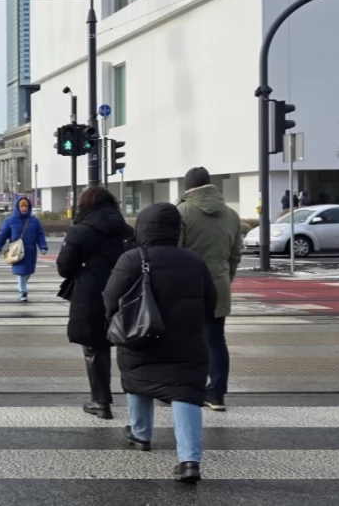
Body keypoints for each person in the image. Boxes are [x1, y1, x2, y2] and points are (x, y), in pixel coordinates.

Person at [104, 202, 218, 484]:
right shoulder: (194, 261)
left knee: (138, 377)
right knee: (186, 392)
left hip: (142, 335)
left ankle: (141, 434)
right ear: (177, 230)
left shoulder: (132, 259)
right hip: (187, 343)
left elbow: (109, 298)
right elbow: (210, 303)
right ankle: (189, 460)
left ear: (143, 227)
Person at [56, 185, 133, 420]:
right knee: (131, 344)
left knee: (95, 347)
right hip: (125, 293)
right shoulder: (128, 231)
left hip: (91, 295)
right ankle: (140, 397)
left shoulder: (80, 231)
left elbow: (64, 267)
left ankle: (101, 402)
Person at [177, 166, 243, 412]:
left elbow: (175, 251)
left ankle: (186, 389)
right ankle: (216, 395)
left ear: (188, 188)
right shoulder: (232, 215)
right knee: (216, 341)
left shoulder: (182, 212)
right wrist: (225, 278)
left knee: (185, 339)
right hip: (218, 284)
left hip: (187, 286)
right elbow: (235, 255)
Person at [0, 196, 49, 302]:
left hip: (30, 251)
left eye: (26, 206)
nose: (24, 208)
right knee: (21, 272)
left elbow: (40, 235)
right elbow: (3, 235)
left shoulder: (34, 221)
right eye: (21, 206)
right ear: (17, 207)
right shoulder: (10, 221)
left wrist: (43, 246)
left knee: (27, 273)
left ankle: (21, 285)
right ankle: (23, 291)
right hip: (16, 250)